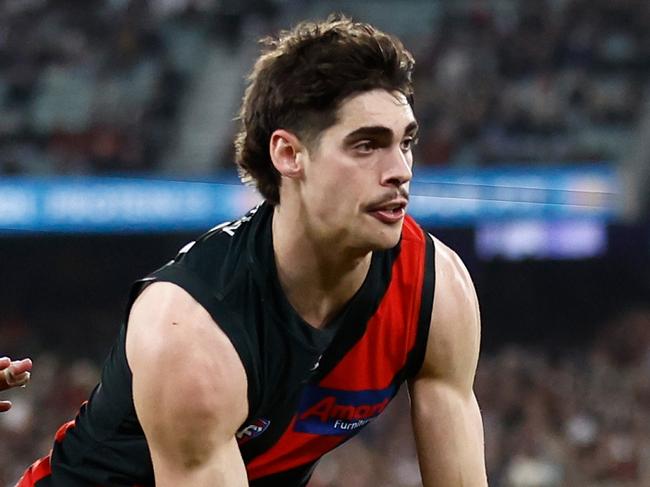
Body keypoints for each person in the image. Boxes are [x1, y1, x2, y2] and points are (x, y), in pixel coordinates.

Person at [18, 16, 487, 486]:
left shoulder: (435, 288)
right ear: (289, 155)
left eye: (406, 142)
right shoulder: (192, 327)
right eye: (367, 145)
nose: (400, 170)